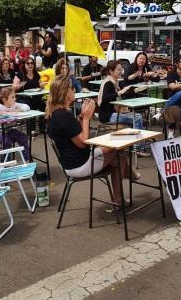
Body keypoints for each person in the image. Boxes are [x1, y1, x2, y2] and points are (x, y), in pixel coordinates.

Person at [47, 74, 137, 206]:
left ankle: (129, 178)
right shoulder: (64, 116)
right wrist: (87, 118)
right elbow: (83, 142)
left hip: (70, 164)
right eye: (72, 89)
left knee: (116, 150)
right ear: (65, 92)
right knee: (120, 154)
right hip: (80, 165)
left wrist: (82, 116)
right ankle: (122, 191)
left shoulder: (54, 114)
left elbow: (72, 133)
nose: (74, 91)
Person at [97, 60, 144, 135]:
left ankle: (138, 142)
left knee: (138, 116)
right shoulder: (108, 83)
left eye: (121, 69)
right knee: (137, 118)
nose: (121, 71)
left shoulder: (116, 83)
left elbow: (123, 95)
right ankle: (138, 144)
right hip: (107, 116)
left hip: (114, 113)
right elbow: (105, 98)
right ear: (111, 71)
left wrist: (135, 91)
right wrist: (120, 92)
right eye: (118, 70)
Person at [0, 87, 31, 161]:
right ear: (4, 100)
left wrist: (14, 110)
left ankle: (27, 160)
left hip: (9, 130)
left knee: (23, 137)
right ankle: (6, 164)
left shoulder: (14, 105)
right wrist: (0, 113)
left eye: (15, 96)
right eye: (12, 97)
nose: (15, 98)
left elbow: (27, 107)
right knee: (7, 141)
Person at [13, 56, 47, 133]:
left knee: (43, 105)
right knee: (30, 106)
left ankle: (42, 127)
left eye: (32, 63)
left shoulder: (36, 74)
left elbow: (40, 84)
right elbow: (13, 87)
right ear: (24, 64)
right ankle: (31, 129)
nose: (30, 65)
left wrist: (42, 85)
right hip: (23, 98)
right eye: (28, 63)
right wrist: (20, 85)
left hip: (35, 97)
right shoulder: (20, 74)